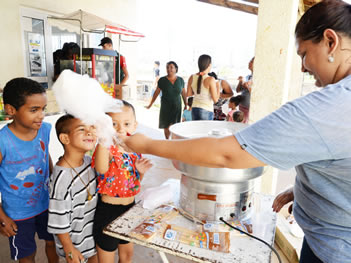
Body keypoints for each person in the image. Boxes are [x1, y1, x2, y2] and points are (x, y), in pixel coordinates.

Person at [124, 1, 351, 262]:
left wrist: (145, 144)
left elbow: (226, 154)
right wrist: (309, 187)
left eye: (303, 54)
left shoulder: (328, 107)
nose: (302, 67)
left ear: (330, 42)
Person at [0, 78, 58, 263]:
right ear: (11, 110)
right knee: (26, 253)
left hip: (46, 204)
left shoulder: (45, 129)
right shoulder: (3, 141)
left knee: (53, 243)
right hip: (17, 213)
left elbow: (45, 155)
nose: (41, 115)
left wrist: (56, 184)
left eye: (43, 109)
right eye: (34, 110)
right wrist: (2, 217)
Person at [92, 101, 152, 263]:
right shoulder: (106, 148)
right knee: (107, 258)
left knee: (127, 256)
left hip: (130, 209)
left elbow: (133, 184)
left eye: (126, 124)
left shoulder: (134, 150)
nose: (120, 129)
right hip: (108, 211)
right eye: (113, 124)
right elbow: (102, 169)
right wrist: (103, 139)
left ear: (134, 126)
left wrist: (140, 173)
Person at [47, 115, 98, 263]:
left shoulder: (89, 162)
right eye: (82, 129)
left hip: (91, 237)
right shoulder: (61, 179)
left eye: (92, 128)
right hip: (74, 245)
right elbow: (58, 221)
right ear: (65, 139)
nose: (90, 132)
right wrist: (69, 249)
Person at [146, 61, 187, 139]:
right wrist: (150, 104)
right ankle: (167, 140)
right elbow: (156, 93)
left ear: (176, 69)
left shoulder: (180, 80)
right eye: (167, 67)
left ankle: (173, 141)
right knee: (166, 125)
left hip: (177, 106)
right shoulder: (162, 80)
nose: (169, 69)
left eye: (171, 67)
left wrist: (186, 104)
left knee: (175, 125)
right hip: (165, 107)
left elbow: (183, 93)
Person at [187, 54, 220, 120]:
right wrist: (218, 86)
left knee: (196, 130)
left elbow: (189, 94)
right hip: (206, 110)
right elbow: (216, 100)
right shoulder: (210, 79)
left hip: (194, 109)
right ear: (209, 65)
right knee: (206, 130)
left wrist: (199, 91)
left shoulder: (191, 77)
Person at [236, 57, 254, 123]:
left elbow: (256, 95)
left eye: (251, 61)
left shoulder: (257, 78)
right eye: (249, 61)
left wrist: (248, 87)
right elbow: (238, 90)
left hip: (249, 108)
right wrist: (240, 82)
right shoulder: (247, 76)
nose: (249, 63)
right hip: (241, 106)